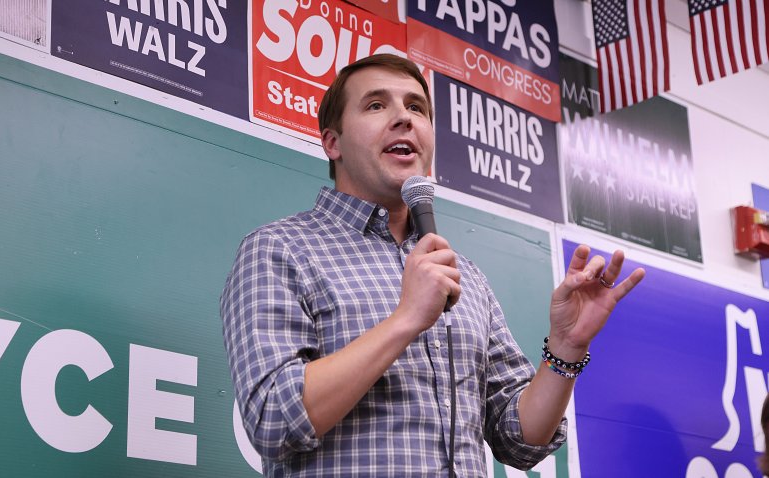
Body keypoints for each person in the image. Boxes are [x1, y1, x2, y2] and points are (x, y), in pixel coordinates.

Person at [221, 54, 645, 477]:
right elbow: (272, 419)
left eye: (416, 107)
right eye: (376, 105)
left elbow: (520, 440)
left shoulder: (464, 276)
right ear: (333, 143)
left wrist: (565, 349)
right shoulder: (280, 249)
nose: (404, 118)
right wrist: (406, 319)